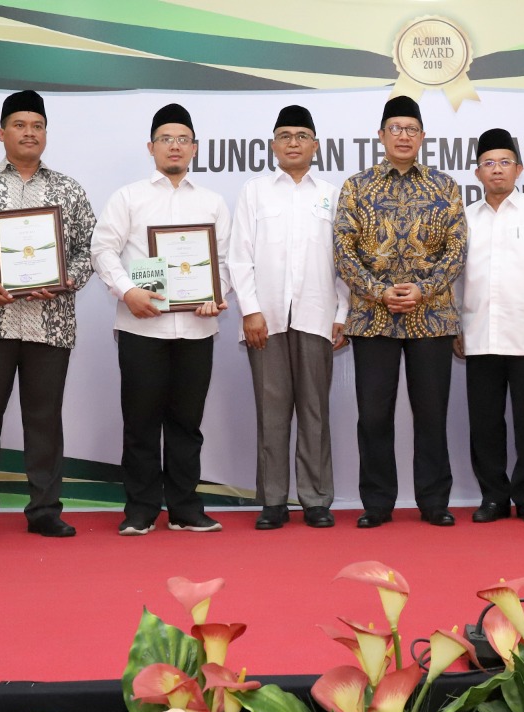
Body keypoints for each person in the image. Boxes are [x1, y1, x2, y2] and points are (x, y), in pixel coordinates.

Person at [0, 90, 95, 543]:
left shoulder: (68, 189)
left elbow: (88, 249)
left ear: (46, 133)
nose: (30, 133)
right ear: (2, 133)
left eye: (38, 125)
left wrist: (67, 280)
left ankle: (45, 509)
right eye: (20, 125)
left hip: (49, 323)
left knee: (45, 420)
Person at [90, 103, 232, 536]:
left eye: (183, 139)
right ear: (151, 147)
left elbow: (224, 261)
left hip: (197, 327)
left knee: (187, 425)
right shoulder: (128, 197)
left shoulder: (212, 202)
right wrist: (127, 291)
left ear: (195, 148)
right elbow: (103, 250)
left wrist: (215, 295)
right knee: (141, 423)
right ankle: (141, 509)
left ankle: (187, 508)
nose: (175, 146)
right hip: (141, 326)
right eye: (166, 139)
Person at [334, 95, 467, 528]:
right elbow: (343, 251)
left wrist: (424, 290)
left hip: (431, 318)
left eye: (411, 129)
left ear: (423, 136)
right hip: (373, 320)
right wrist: (379, 292)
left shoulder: (445, 186)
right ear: (381, 135)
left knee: (431, 414)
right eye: (396, 128)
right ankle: (376, 503)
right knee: (373, 415)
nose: (404, 135)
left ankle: (433, 502)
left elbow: (458, 250)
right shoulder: (357, 186)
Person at [229, 105, 347, 530]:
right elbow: (238, 257)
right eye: (285, 135)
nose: (293, 142)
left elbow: (345, 262)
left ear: (315, 145)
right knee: (272, 411)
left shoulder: (333, 195)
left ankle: (316, 499)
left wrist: (343, 313)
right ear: (274, 145)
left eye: (302, 135)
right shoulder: (255, 191)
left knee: (315, 412)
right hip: (268, 319)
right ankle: (274, 500)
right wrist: (251, 310)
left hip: (317, 316)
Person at [456, 129, 524, 524]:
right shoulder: (464, 218)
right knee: (485, 424)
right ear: (477, 172)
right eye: (488, 163)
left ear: (518, 168)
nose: (496, 170)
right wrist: (456, 327)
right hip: (480, 333)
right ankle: (493, 498)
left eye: (504, 162)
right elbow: (454, 278)